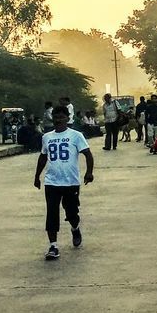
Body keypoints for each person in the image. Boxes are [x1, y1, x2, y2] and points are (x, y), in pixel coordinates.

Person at [33, 105, 94, 260]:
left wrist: (89, 172)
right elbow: (43, 157)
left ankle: (75, 228)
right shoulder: (47, 137)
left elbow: (87, 154)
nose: (58, 120)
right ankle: (53, 246)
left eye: (62, 117)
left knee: (72, 212)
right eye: (56, 117)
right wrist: (37, 176)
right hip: (52, 182)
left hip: (70, 182)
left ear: (68, 118)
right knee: (52, 213)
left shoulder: (76, 135)